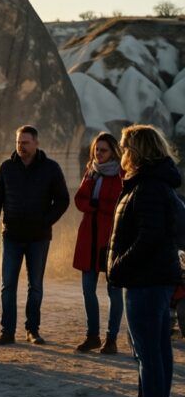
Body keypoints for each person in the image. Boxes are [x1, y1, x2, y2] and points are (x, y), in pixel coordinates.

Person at [106, 125, 181, 397]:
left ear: (137, 151)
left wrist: (119, 266)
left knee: (148, 353)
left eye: (125, 147)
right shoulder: (151, 182)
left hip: (145, 280)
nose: (122, 153)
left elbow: (149, 236)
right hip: (154, 278)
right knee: (156, 350)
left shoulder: (148, 185)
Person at [0, 125, 69, 345]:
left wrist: (46, 220)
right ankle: (7, 331)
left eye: (25, 142)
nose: (21, 146)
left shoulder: (50, 168)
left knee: (35, 286)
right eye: (18, 142)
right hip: (11, 235)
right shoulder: (6, 168)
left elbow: (63, 200)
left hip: (39, 237)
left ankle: (32, 330)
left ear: (36, 143)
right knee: (8, 285)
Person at [71, 133, 124, 354]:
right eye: (96, 149)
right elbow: (79, 200)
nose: (98, 153)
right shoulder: (91, 172)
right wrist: (93, 204)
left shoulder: (121, 175)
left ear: (113, 151)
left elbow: (116, 205)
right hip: (89, 237)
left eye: (103, 150)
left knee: (113, 291)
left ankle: (111, 339)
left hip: (111, 237)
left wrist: (95, 204)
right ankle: (92, 335)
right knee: (87, 289)